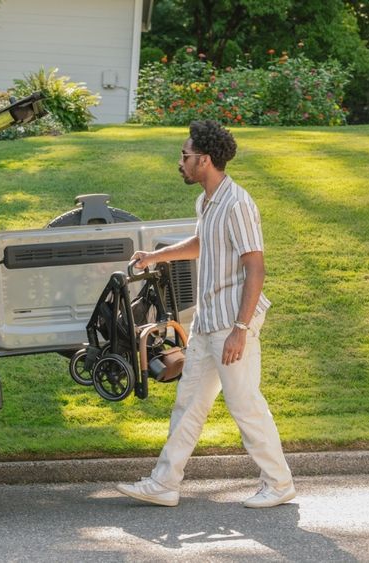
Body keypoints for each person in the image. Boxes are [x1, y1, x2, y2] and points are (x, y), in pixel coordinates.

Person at [115, 120, 295, 509]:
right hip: (207, 321)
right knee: (188, 404)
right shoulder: (207, 202)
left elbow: (256, 268)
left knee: (244, 404)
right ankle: (164, 483)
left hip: (231, 323)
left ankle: (279, 483)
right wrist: (155, 256)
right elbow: (203, 242)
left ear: (205, 160)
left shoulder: (238, 204)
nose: (180, 162)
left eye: (185, 156)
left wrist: (241, 329)